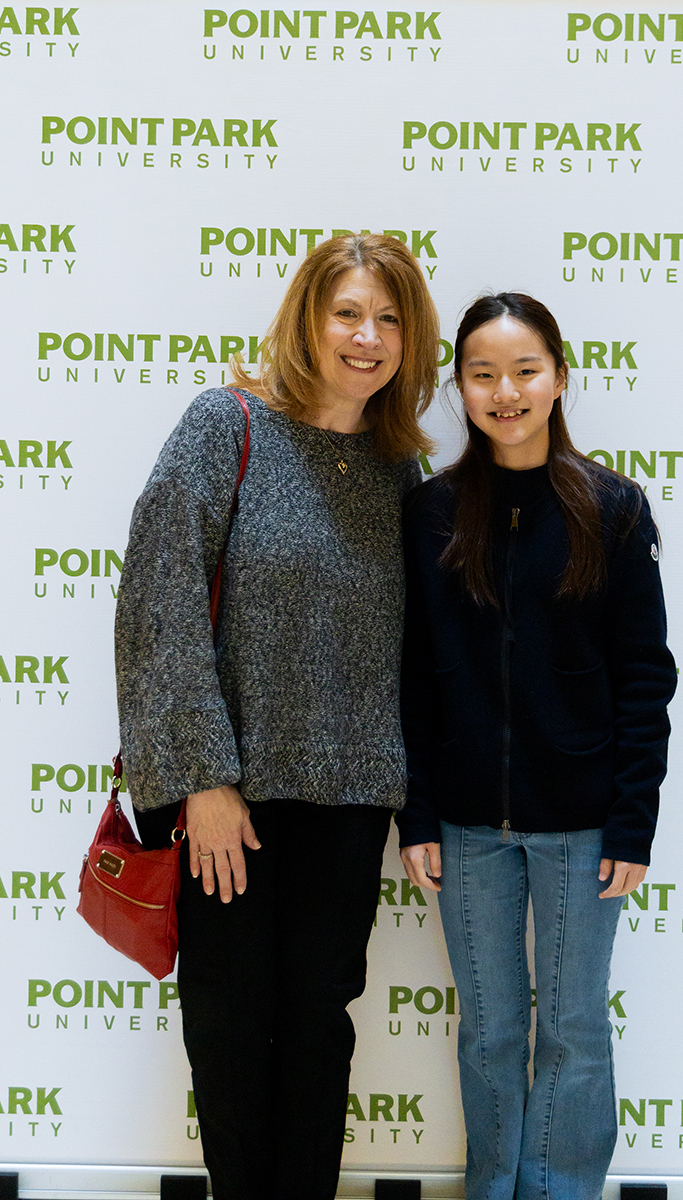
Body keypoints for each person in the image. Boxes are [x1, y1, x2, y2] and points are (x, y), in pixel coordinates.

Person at [114, 234, 439, 1200]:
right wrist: (202, 780)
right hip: (231, 801)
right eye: (348, 313)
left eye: (388, 320)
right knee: (225, 1020)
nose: (367, 336)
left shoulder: (397, 468)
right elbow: (157, 600)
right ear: (308, 317)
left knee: (317, 1023)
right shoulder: (227, 424)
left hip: (346, 801)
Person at [397, 293, 677, 1200]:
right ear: (461, 389)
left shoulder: (612, 509)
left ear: (559, 377)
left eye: (524, 371)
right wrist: (419, 815)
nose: (505, 391)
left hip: (585, 826)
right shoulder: (432, 512)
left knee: (571, 1026)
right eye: (483, 374)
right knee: (488, 1027)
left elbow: (645, 675)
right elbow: (411, 679)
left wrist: (632, 822)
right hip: (468, 827)